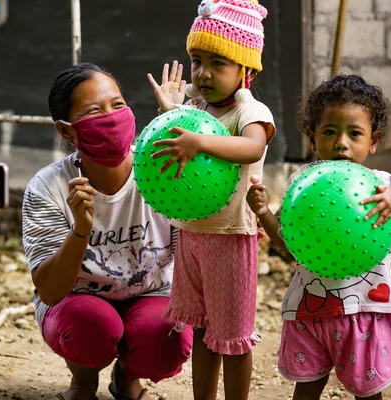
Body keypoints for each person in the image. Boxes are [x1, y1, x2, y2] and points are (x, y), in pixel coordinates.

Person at [22, 62, 193, 400]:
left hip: (149, 293)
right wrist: (80, 230)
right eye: (94, 111)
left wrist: (176, 121)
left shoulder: (159, 173)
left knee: (170, 337)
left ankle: (128, 374)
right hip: (78, 303)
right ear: (67, 131)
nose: (112, 117)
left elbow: (189, 244)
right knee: (92, 325)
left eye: (117, 105)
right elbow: (51, 290)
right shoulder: (47, 187)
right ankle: (83, 380)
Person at [247, 74, 391, 400]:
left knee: (368, 391)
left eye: (355, 133)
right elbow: (288, 242)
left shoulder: (383, 184)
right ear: (313, 140)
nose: (341, 142)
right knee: (307, 387)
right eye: (329, 131)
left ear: (374, 140)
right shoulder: (304, 185)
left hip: (365, 311)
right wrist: (265, 214)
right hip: (309, 313)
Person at [146, 1, 275, 399]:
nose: (202, 73)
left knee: (232, 337)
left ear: (246, 70)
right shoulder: (195, 108)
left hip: (232, 239)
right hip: (192, 235)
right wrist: (170, 114)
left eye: (218, 63)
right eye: (196, 60)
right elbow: (171, 147)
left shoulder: (249, 111)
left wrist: (198, 139)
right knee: (202, 329)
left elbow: (251, 148)